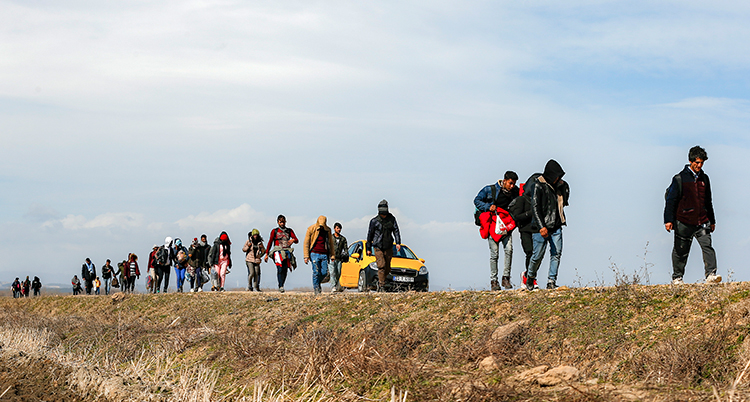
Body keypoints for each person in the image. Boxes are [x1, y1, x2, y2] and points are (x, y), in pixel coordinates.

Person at [664, 146, 720, 285]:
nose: (699, 165)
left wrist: (712, 220)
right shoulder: (679, 178)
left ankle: (711, 275)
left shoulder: (705, 179)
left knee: (707, 246)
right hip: (683, 221)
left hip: (702, 220)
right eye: (697, 162)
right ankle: (677, 278)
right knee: (680, 251)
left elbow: (708, 201)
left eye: (702, 163)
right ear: (690, 161)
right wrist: (668, 220)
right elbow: (671, 200)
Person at [525, 160, 570, 290]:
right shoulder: (538, 185)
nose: (558, 178)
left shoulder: (559, 186)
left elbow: (564, 200)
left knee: (556, 253)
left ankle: (551, 281)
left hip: (556, 226)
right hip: (541, 228)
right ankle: (530, 277)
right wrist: (541, 226)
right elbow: (535, 207)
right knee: (537, 256)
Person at [474, 171, 520, 291]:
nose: (512, 186)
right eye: (510, 183)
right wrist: (488, 207)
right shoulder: (490, 190)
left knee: (509, 250)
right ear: (504, 181)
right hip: (492, 226)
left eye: (514, 184)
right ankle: (494, 281)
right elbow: (477, 200)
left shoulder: (515, 192)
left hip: (506, 226)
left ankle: (506, 278)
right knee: (494, 254)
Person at [366, 200, 402, 291]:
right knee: (381, 265)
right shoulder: (374, 221)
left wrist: (398, 243)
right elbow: (370, 235)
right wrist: (368, 248)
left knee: (387, 267)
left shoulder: (392, 219)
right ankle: (382, 285)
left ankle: (382, 280)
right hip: (378, 246)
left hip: (389, 245)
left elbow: (396, 231)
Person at [509, 183, 536, 288]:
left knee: (535, 255)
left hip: (535, 230)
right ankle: (528, 278)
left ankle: (530, 277)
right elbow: (517, 216)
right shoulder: (521, 200)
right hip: (525, 230)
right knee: (530, 253)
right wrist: (531, 213)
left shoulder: (535, 199)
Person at [265, 215, 299, 293]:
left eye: (283, 222)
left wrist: (293, 240)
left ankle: (282, 284)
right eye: (280, 222)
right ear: (278, 222)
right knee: (279, 268)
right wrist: (267, 253)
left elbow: (297, 240)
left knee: (285, 269)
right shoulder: (274, 231)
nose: (282, 223)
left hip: (286, 251)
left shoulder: (289, 231)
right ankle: (280, 286)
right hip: (277, 252)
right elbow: (270, 242)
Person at [304, 216, 336, 295]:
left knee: (324, 273)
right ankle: (316, 288)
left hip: (324, 254)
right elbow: (306, 243)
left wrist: (332, 255)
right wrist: (306, 256)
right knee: (316, 272)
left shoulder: (327, 230)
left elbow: (331, 243)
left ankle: (317, 282)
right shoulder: (311, 229)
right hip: (314, 253)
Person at [331, 222, 348, 293]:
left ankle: (338, 285)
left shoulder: (343, 239)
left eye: (340, 228)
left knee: (338, 273)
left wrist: (346, 254)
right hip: (332, 258)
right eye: (337, 228)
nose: (339, 230)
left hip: (339, 258)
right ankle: (333, 286)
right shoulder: (330, 238)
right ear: (334, 228)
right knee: (332, 272)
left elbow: (345, 248)